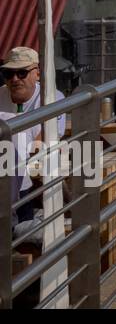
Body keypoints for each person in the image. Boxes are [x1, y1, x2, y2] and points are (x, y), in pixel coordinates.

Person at [2, 47, 66, 244]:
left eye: (22, 72)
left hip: (23, 176)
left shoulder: (51, 99)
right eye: (9, 73)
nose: (15, 79)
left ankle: (13, 225)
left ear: (37, 73)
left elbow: (41, 142)